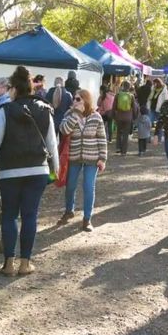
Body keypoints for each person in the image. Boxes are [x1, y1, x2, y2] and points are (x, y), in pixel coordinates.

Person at [0, 65, 59, 278]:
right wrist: (58, 169)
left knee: (9, 216)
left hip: (10, 171)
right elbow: (52, 143)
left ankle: (8, 263)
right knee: (30, 215)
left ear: (13, 88)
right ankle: (25, 263)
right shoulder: (45, 109)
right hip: (37, 170)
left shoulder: (5, 111)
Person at [59, 89, 107, 231]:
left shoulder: (96, 116)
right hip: (73, 157)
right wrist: (75, 114)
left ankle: (87, 219)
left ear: (86, 100)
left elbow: (102, 138)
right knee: (71, 185)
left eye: (78, 99)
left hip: (92, 157)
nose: (75, 101)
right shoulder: (69, 114)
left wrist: (102, 158)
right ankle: (69, 210)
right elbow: (64, 130)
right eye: (74, 98)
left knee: (88, 186)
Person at [111, 80, 139, 156]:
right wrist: (134, 117)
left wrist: (113, 115)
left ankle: (118, 148)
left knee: (119, 132)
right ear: (129, 87)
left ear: (122, 86)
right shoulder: (131, 96)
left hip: (119, 116)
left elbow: (114, 107)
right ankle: (124, 151)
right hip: (128, 117)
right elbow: (134, 108)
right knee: (126, 134)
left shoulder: (118, 95)